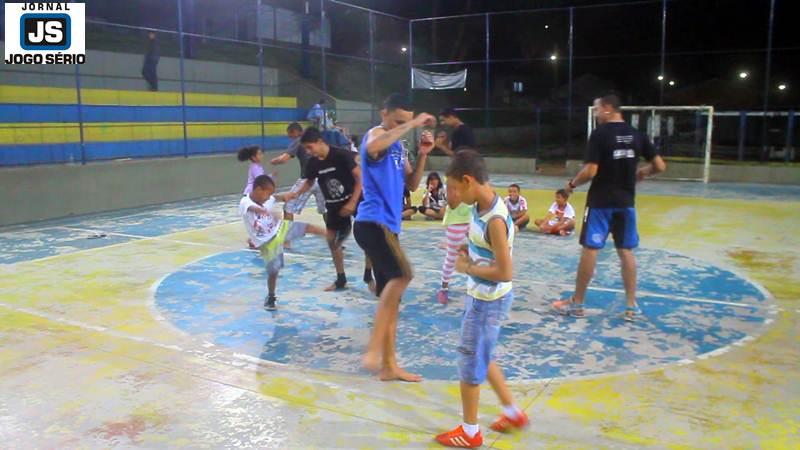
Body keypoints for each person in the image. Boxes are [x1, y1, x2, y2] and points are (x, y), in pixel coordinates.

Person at [435, 149, 528, 448]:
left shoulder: (495, 220)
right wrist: (469, 253)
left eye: (454, 188)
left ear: (468, 180)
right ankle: (513, 413)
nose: (453, 195)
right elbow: (485, 250)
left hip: (487, 301)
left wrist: (468, 267)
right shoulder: (482, 205)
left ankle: (470, 432)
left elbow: (504, 271)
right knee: (484, 357)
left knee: (470, 362)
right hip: (482, 297)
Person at [552, 93, 666, 322]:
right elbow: (660, 166)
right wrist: (643, 173)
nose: (595, 114)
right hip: (626, 203)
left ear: (607, 108)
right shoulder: (637, 135)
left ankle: (578, 303)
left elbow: (591, 170)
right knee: (626, 251)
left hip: (600, 203)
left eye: (596, 109)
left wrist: (572, 184)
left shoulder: (600, 135)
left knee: (590, 250)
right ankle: (631, 306)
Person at [354, 93, 436, 382]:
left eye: (406, 120)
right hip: (373, 223)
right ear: (384, 113)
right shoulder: (375, 135)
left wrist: (424, 152)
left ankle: (389, 366)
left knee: (392, 298)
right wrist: (412, 124)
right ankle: (374, 348)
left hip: (389, 227)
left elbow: (412, 184)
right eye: (398, 120)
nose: (403, 126)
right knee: (403, 275)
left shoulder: (399, 146)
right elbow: (375, 147)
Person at [290, 127, 374, 292]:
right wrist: (295, 193)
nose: (308, 151)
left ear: (320, 142)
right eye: (306, 148)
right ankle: (341, 279)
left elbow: (360, 178)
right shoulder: (313, 162)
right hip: (334, 205)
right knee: (333, 242)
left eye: (310, 147)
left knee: (368, 238)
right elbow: (309, 181)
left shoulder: (342, 155)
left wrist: (352, 202)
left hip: (356, 200)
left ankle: (368, 274)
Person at [239, 175, 326, 311]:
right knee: (273, 272)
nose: (268, 197)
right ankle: (271, 295)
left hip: (279, 229)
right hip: (267, 242)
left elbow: (276, 197)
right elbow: (253, 209)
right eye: (267, 194)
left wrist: (288, 195)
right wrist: (267, 212)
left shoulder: (268, 198)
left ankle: (332, 236)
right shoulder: (245, 202)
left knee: (308, 227)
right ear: (258, 189)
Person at [271, 122, 326, 221]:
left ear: (295, 132)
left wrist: (274, 161)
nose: (290, 138)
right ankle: (333, 233)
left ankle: (287, 233)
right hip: (323, 178)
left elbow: (284, 158)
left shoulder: (298, 141)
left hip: (307, 180)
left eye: (290, 135)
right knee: (326, 209)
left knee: (288, 206)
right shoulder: (317, 141)